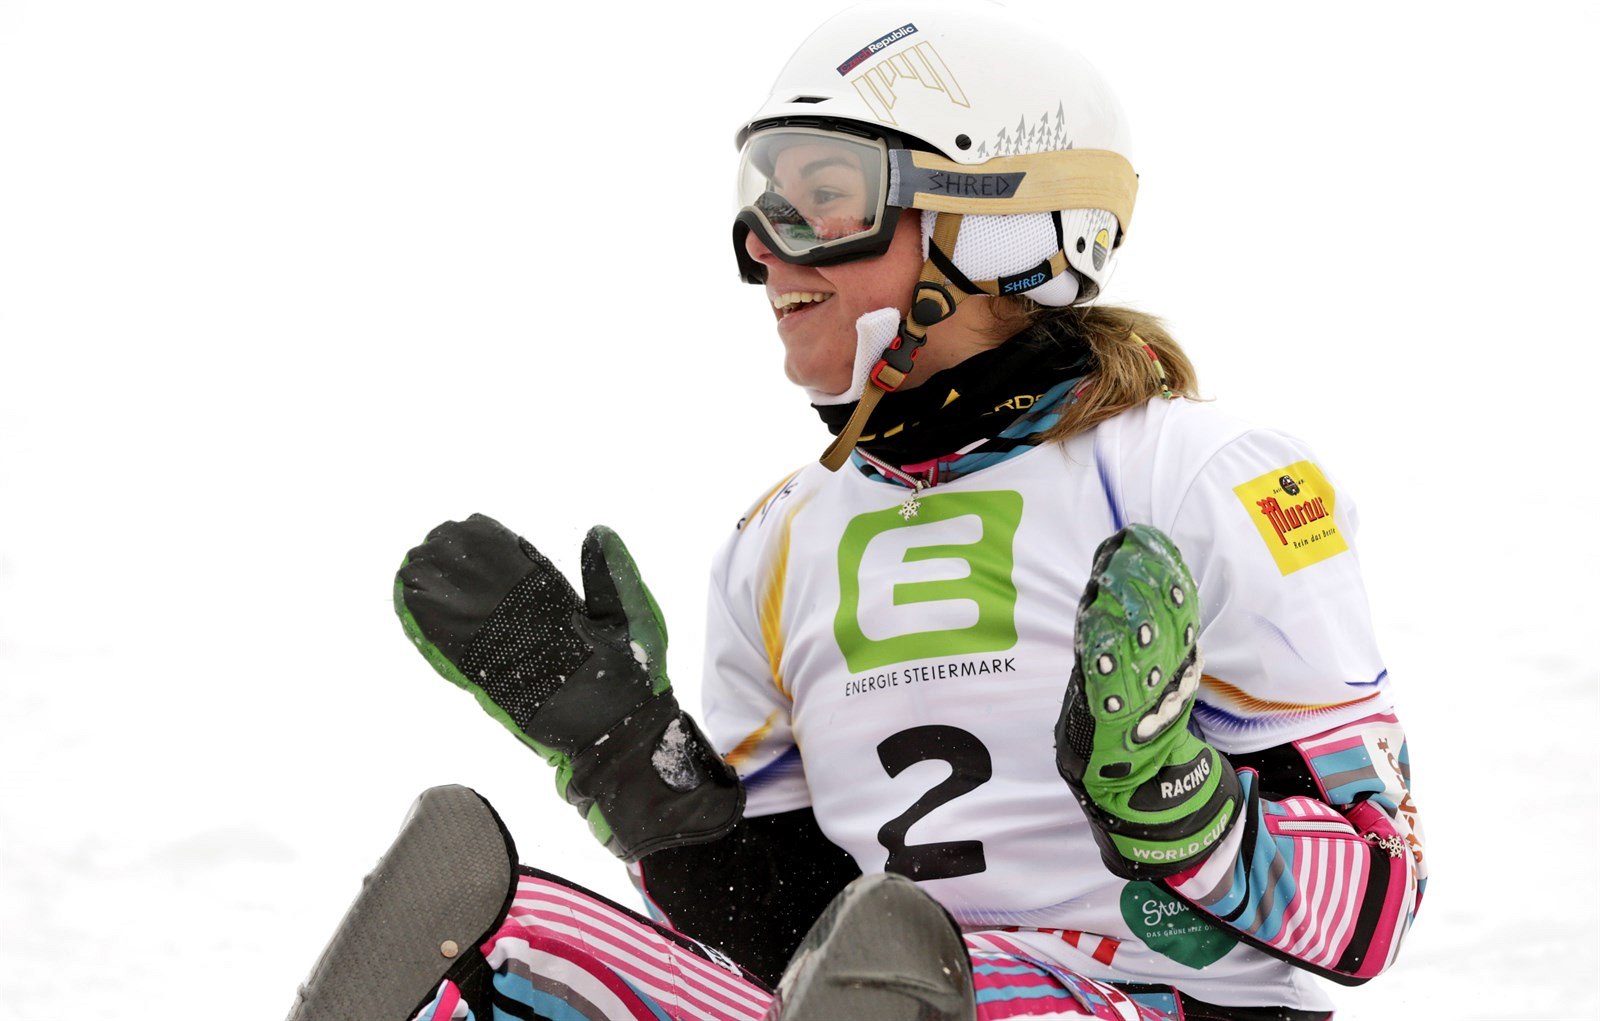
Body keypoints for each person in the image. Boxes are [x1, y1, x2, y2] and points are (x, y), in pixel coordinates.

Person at [288, 3, 1426, 1019]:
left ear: (997, 226)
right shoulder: (778, 542)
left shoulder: (1202, 474)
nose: (762, 247)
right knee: (494, 959)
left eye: (822, 197)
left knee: (893, 978)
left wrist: (1181, 808)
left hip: (1157, 1002)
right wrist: (631, 758)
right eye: (760, 202)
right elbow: (787, 939)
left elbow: (1375, 906)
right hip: (874, 996)